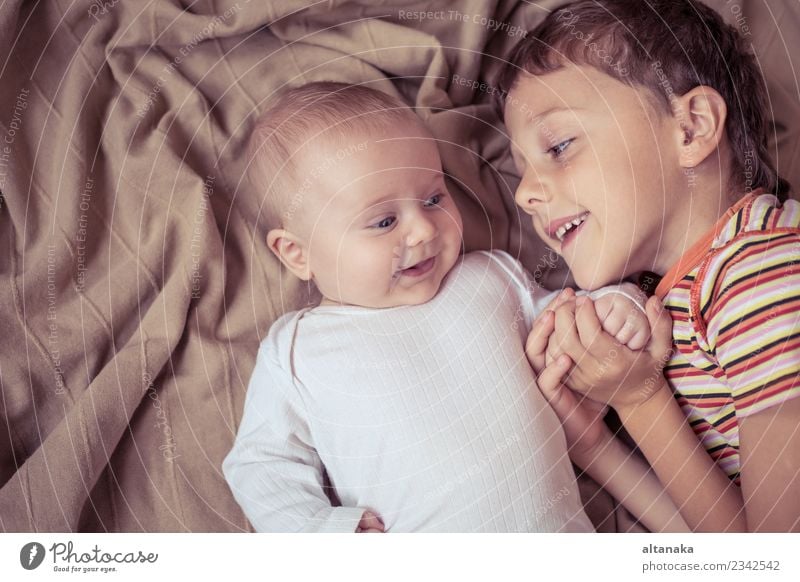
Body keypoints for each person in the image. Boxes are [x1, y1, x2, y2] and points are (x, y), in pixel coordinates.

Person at [222, 81, 687, 532]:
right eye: (384, 221)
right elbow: (260, 464)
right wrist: (324, 532)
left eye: (433, 197)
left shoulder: (490, 277)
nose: (424, 230)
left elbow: (567, 319)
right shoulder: (298, 351)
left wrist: (616, 302)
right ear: (297, 254)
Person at [496, 0, 800, 531]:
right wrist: (594, 445)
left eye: (559, 145)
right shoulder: (674, 291)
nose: (523, 194)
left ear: (690, 128)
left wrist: (640, 400)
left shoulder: (762, 271)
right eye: (520, 168)